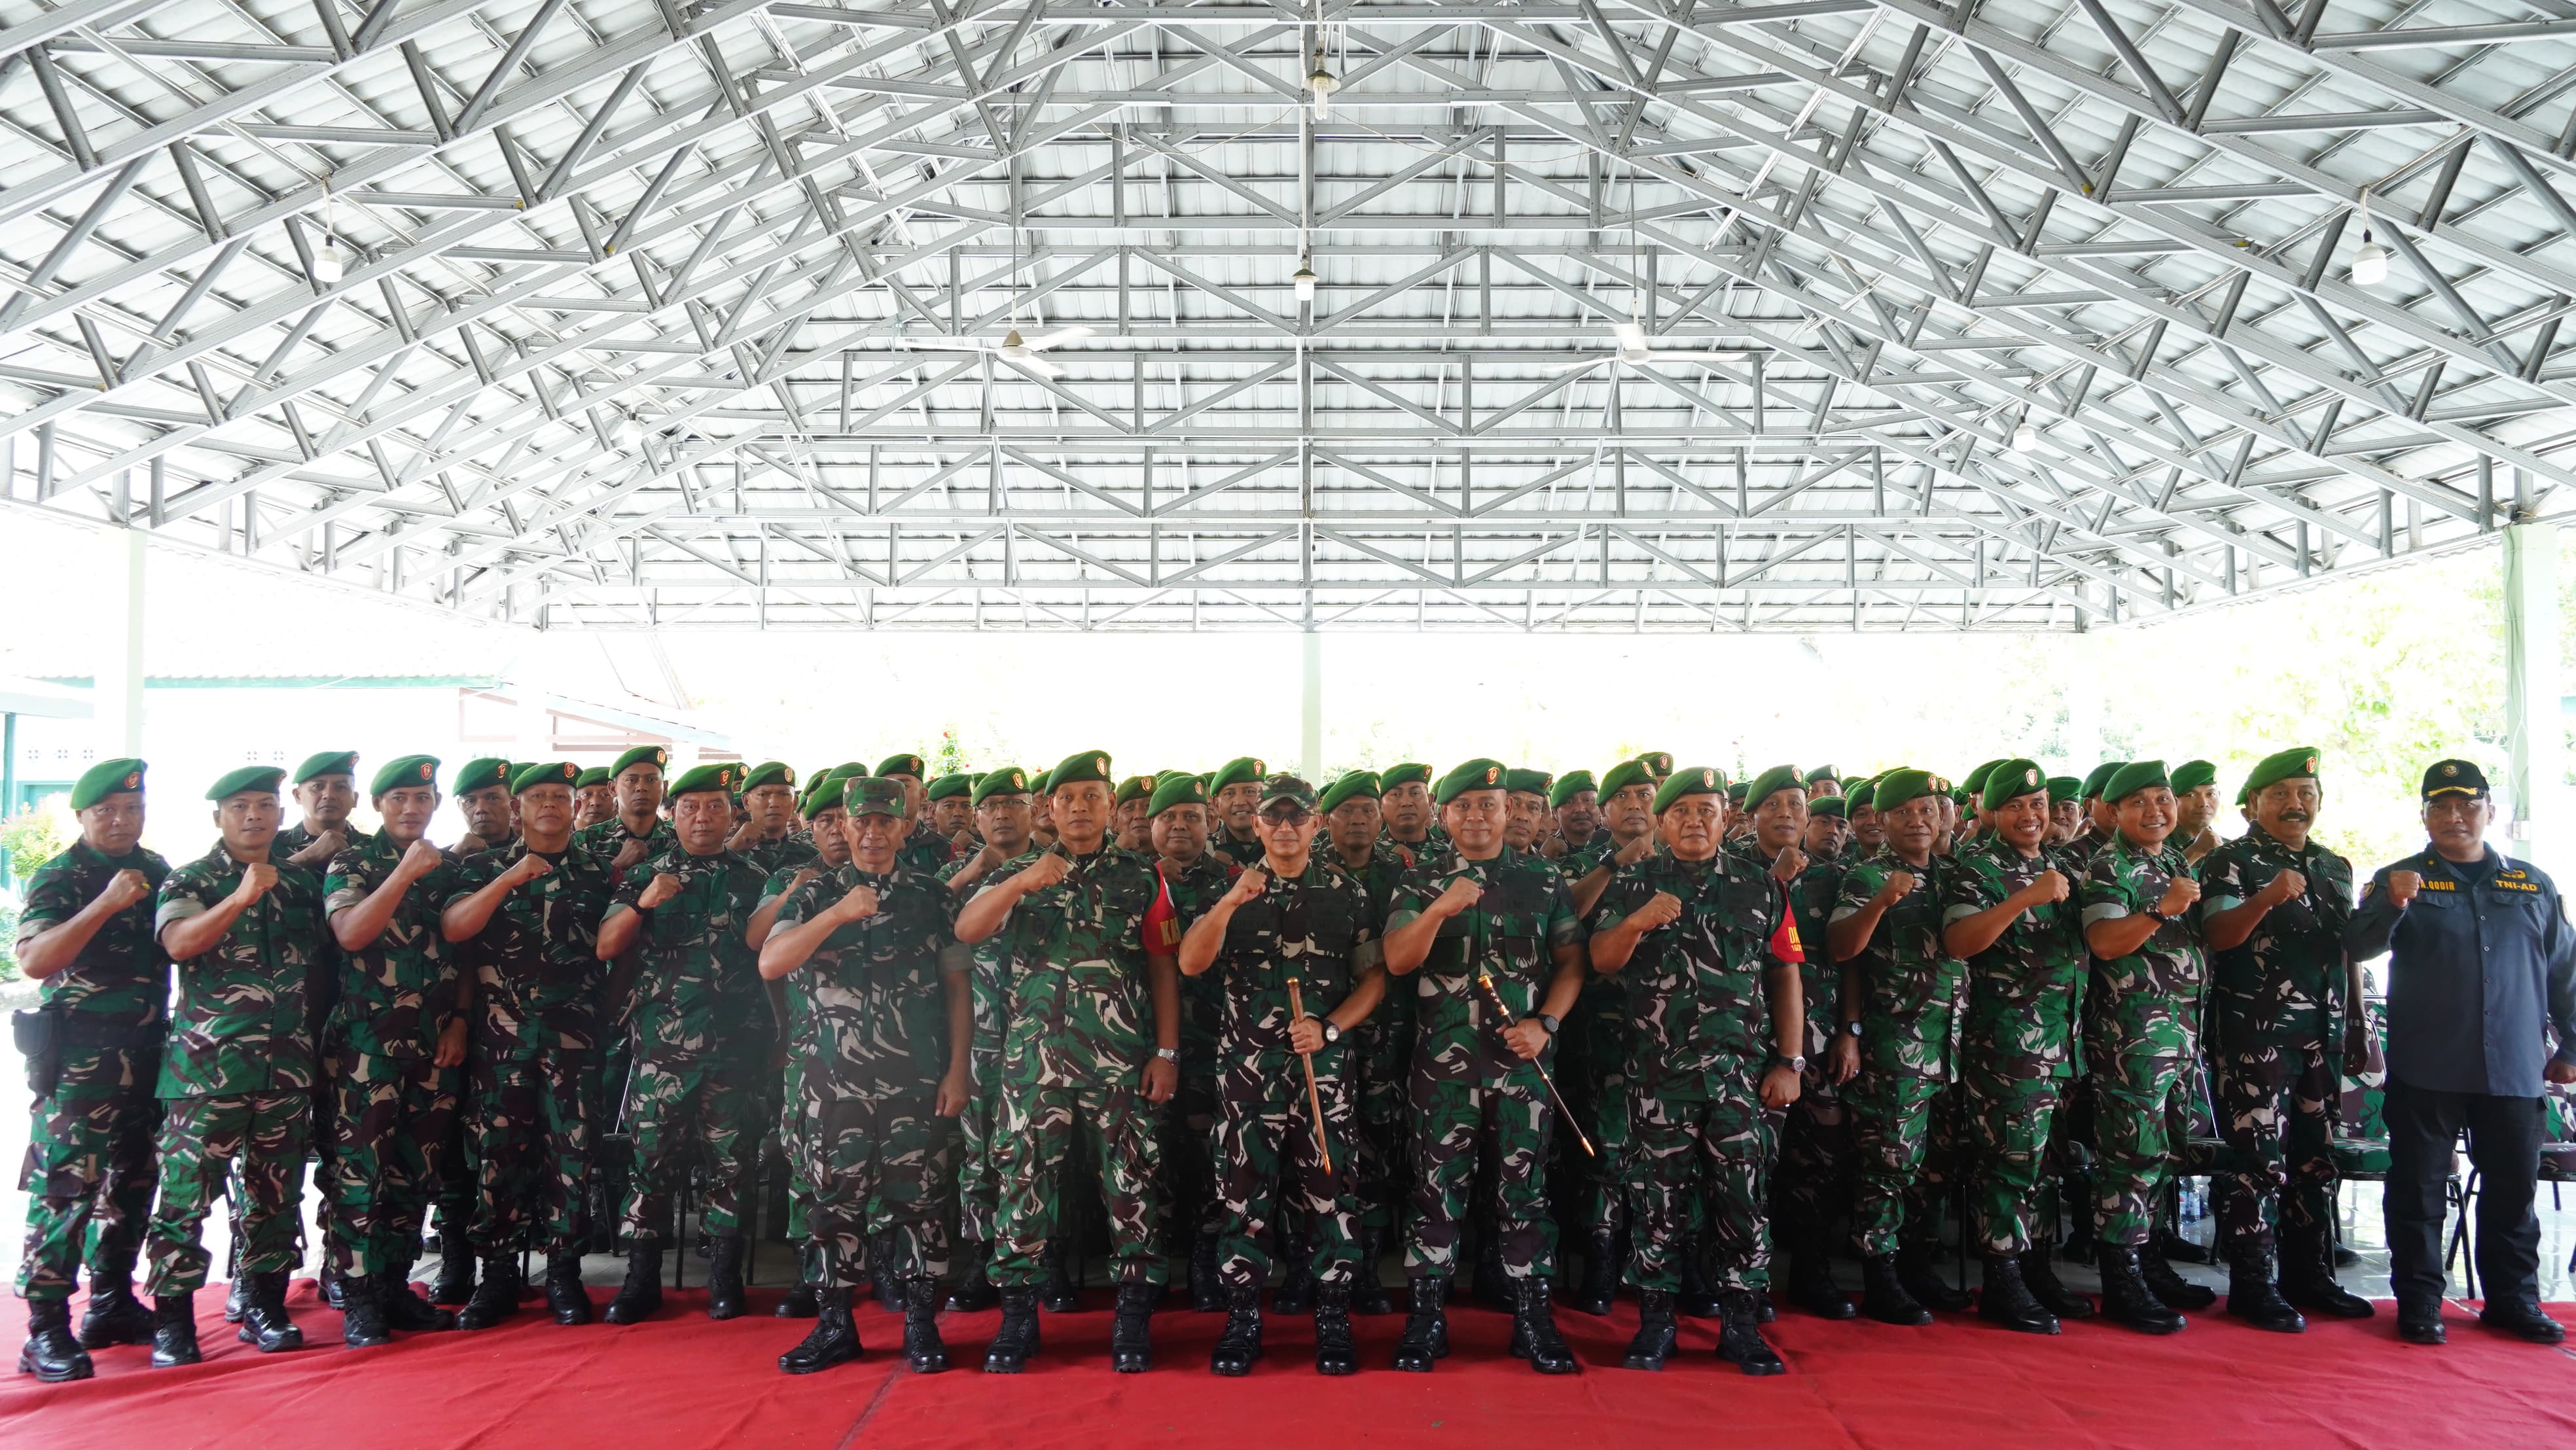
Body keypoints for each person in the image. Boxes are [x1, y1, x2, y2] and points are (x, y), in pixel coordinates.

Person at [954, 750, 1181, 1374]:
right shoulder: (1019, 872)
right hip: (1035, 1065)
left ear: (1111, 806)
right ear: (1046, 809)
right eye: (1067, 798)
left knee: (1131, 1185)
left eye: (1092, 796)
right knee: (1023, 1185)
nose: (1079, 807)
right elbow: (968, 931)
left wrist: (1166, 1052)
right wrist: (1021, 883)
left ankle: (1134, 1311)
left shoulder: (1143, 876)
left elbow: (1163, 966)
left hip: (1121, 1063)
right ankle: (1019, 1313)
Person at [2347, 758, 2576, 1347]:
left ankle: (2513, 1301)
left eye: (2468, 805)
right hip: (2430, 1065)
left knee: (2512, 1193)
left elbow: (2565, 973)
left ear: (2489, 812)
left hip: (2515, 1067)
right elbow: (2357, 946)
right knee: (2419, 1192)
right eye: (2441, 806)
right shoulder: (2400, 878)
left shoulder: (2532, 884)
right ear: (2423, 816)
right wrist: (2392, 905)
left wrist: (2572, 1045)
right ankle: (2420, 1302)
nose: (2455, 816)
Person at [1586, 766, 1805, 1375]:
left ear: (1726, 818)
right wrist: (1636, 921)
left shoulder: (1762, 888)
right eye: (1680, 812)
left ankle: (1740, 1326)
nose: (1693, 822)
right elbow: (1602, 960)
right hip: (1659, 1079)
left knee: (1742, 1201)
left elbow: (1786, 974)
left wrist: (1790, 1061)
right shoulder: (1632, 884)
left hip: (1739, 1078)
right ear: (1660, 822)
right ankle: (1655, 1326)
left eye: (1706, 810)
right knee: (1658, 1203)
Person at [1380, 759, 1587, 1375]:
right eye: (1463, 805)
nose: (1477, 816)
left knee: (1524, 1192)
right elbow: (1396, 960)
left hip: (1521, 1068)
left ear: (1509, 812)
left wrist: (1545, 1023)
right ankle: (1426, 1318)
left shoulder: (1543, 879)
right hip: (1442, 1070)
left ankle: (1533, 1317)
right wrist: (1440, 908)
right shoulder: (1419, 881)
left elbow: (1572, 965)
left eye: (1489, 805)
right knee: (1436, 1193)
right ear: (1446, 816)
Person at [760, 778, 972, 1375]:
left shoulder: (934, 897)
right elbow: (772, 961)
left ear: (906, 827)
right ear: (842, 827)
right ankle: (836, 1327)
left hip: (915, 1080)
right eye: (862, 822)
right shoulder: (811, 893)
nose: (874, 833)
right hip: (830, 1084)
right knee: (831, 1205)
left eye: (887, 822)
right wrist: (839, 911)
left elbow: (959, 987)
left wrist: (959, 1070)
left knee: (921, 1203)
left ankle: (921, 1325)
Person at [1179, 774, 1383, 1377]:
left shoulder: (1348, 892)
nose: (1287, 828)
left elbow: (1373, 979)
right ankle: (1243, 1319)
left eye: (1299, 818)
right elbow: (1192, 962)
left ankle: (1333, 1318)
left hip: (1322, 1070)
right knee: (1244, 1196)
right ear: (1257, 825)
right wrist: (1230, 902)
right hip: (1247, 1071)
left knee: (1330, 1190)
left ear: (1316, 825)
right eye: (1275, 818)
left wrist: (1331, 1029)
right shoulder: (1229, 889)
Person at [144, 766, 329, 1366]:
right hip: (207, 1073)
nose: (255, 816)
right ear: (218, 817)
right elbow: (178, 944)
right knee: (184, 1200)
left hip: (286, 1069)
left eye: (265, 806)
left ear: (280, 814)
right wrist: (240, 896)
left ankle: (264, 1305)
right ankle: (173, 1320)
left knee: (275, 1197)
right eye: (241, 806)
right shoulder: (191, 878)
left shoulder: (301, 887)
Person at [2200, 748, 2373, 1331]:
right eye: (2280, 795)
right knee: (2259, 1164)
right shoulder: (2232, 862)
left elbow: (2345, 953)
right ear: (2253, 804)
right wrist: (2267, 896)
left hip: (2320, 1039)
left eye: (2306, 794)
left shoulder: (2334, 866)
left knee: (2316, 1161)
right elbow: (2221, 934)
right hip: (2256, 1039)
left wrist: (2355, 1026)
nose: (2295, 805)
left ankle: (2311, 1276)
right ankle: (2253, 1284)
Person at [442, 762, 617, 1328]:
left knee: (571, 1157)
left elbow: (620, 953)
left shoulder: (600, 874)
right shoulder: (482, 867)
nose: (549, 805)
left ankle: (564, 1274)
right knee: (498, 1156)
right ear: (517, 809)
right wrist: (506, 880)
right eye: (537, 796)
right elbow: (456, 932)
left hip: (574, 1041)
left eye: (559, 797)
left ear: (577, 807)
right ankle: (497, 1277)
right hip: (502, 1043)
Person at [594, 762, 771, 1324]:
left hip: (734, 1045)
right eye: (691, 807)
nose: (702, 817)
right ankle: (642, 1278)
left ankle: (724, 1277)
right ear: (673, 814)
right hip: (663, 1047)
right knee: (652, 1162)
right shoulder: (648, 871)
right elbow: (606, 945)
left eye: (715, 806)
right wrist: (645, 901)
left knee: (731, 1163)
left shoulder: (753, 877)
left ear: (731, 814)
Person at [11, 760, 168, 1381]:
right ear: (80, 816)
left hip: (149, 1052)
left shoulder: (156, 869)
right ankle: (46, 1328)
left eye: (132, 809)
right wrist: (103, 904)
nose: (121, 820)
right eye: (107, 811)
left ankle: (111, 1303)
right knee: (66, 1189)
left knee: (136, 1181)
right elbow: (34, 961)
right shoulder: (60, 877)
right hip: (81, 1060)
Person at [319, 756, 468, 1347]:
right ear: (378, 806)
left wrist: (458, 1021)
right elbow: (352, 932)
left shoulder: (450, 869)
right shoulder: (353, 862)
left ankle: (394, 1284)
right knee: (362, 1175)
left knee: (414, 1173)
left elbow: (462, 953)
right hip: (366, 1047)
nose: (413, 809)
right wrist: (404, 873)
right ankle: (357, 1298)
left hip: (433, 1046)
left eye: (423, 798)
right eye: (400, 798)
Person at [1941, 760, 2092, 1334]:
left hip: (2061, 1041)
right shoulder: (1976, 869)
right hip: (2008, 1045)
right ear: (1991, 812)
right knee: (2008, 1162)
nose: (2030, 816)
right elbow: (1959, 941)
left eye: (2039, 805)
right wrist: (2024, 898)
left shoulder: (2060, 863)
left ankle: (2035, 1267)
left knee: (2045, 1163)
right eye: (2016, 807)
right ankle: (2002, 1279)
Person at [1829, 768, 1970, 1325]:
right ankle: (1879, 1272)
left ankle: (1919, 1262)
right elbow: (1842, 951)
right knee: (1889, 1163)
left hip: (1954, 1045)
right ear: (1882, 820)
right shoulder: (1866, 876)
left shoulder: (1955, 877)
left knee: (1936, 1166)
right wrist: (1882, 903)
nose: (1918, 821)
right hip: (1897, 1044)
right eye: (1905, 812)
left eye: (1928, 811)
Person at [2078, 760, 2211, 1335]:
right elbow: (2105, 942)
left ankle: (2149, 1261)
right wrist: (2160, 910)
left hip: (2176, 1036)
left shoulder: (2171, 859)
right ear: (2114, 813)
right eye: (2140, 803)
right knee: (2129, 1160)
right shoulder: (2110, 865)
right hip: (2132, 1038)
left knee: (2161, 1156)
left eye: (2163, 799)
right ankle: (2121, 1280)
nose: (2156, 811)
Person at [935, 767, 1037, 1312]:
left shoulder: (1055, 868)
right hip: (978, 1036)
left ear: (1032, 809)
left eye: (1013, 803)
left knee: (1038, 1154)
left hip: (1039, 1037)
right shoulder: (956, 875)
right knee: (978, 1153)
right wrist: (973, 870)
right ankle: (983, 1257)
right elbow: (928, 922)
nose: (1002, 814)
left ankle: (1039, 1259)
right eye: (990, 806)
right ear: (976, 817)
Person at [1145, 773, 1242, 1313]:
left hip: (1216, 1044)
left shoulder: (1235, 880)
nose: (1180, 826)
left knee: (1212, 1155)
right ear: (1150, 825)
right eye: (1168, 817)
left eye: (1192, 816)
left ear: (1211, 823)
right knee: (1150, 1151)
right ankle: (1155, 1259)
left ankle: (1206, 1256)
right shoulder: (1135, 879)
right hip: (1146, 1044)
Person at [1320, 770, 1410, 1316]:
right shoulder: (1306, 874)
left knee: (1375, 1146)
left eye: (1366, 812)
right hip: (1322, 1033)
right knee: (1319, 1149)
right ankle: (1316, 1264)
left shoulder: (1402, 873)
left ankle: (1368, 1267)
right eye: (1345, 811)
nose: (1357, 820)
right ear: (1324, 819)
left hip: (1389, 1032)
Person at [575, 746, 675, 876]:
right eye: (631, 780)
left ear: (665, 787)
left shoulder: (681, 842)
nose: (641, 787)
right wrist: (617, 866)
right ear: (612, 789)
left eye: (652, 780)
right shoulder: (585, 841)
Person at [1206, 756, 1270, 867]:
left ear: (1264, 798)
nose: (1240, 802)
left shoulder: (1280, 844)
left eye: (1250, 792)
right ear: (1216, 804)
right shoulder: (1203, 851)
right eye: (1229, 794)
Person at [2172, 761, 2223, 864]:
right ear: (2173, 801)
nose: (2203, 803)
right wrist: (2195, 851)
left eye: (2210, 794)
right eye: (2191, 795)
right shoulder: (2156, 846)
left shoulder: (2227, 847)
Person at [1547, 771, 1599, 860]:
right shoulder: (1548, 852)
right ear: (1555, 813)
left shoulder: (1615, 842)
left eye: (1588, 800)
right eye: (1569, 802)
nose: (1580, 809)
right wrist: (1544, 859)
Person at [572, 766, 617, 832]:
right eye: (586, 794)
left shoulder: (629, 837)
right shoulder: (556, 837)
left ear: (617, 804)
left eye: (606, 795)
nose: (595, 802)